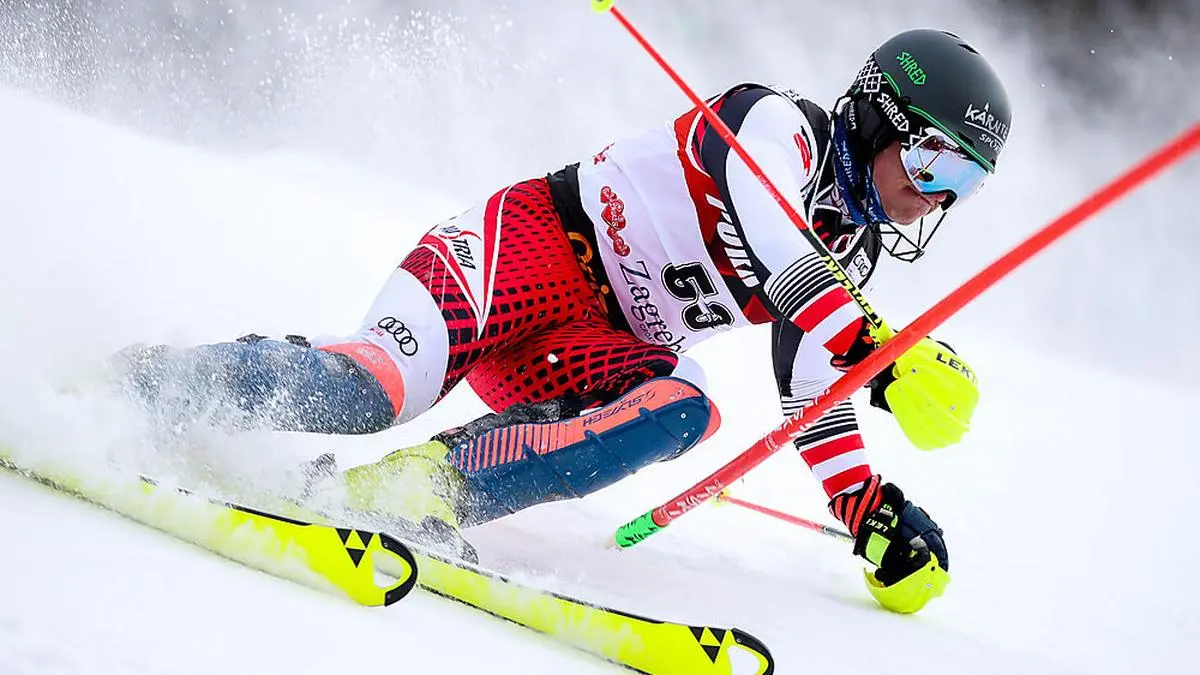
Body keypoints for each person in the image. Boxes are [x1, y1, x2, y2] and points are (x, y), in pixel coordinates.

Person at [117, 29, 1010, 612]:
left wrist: (869, 512)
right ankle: (143, 385)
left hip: (588, 349)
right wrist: (886, 353)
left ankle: (421, 488)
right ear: (875, 117)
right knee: (368, 390)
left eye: (960, 184)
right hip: (526, 254)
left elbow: (820, 388)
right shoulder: (773, 128)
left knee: (686, 405)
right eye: (931, 157)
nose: (928, 195)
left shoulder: (846, 258)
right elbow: (780, 252)